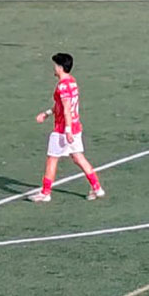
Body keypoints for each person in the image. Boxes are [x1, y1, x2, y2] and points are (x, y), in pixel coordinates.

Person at [31, 52, 104, 203]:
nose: (54, 68)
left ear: (60, 67)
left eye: (55, 65)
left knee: (52, 159)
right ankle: (96, 187)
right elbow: (61, 105)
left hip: (63, 129)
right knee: (78, 157)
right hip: (76, 126)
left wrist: (67, 130)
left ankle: (45, 193)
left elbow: (66, 109)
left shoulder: (62, 86)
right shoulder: (72, 82)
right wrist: (47, 113)